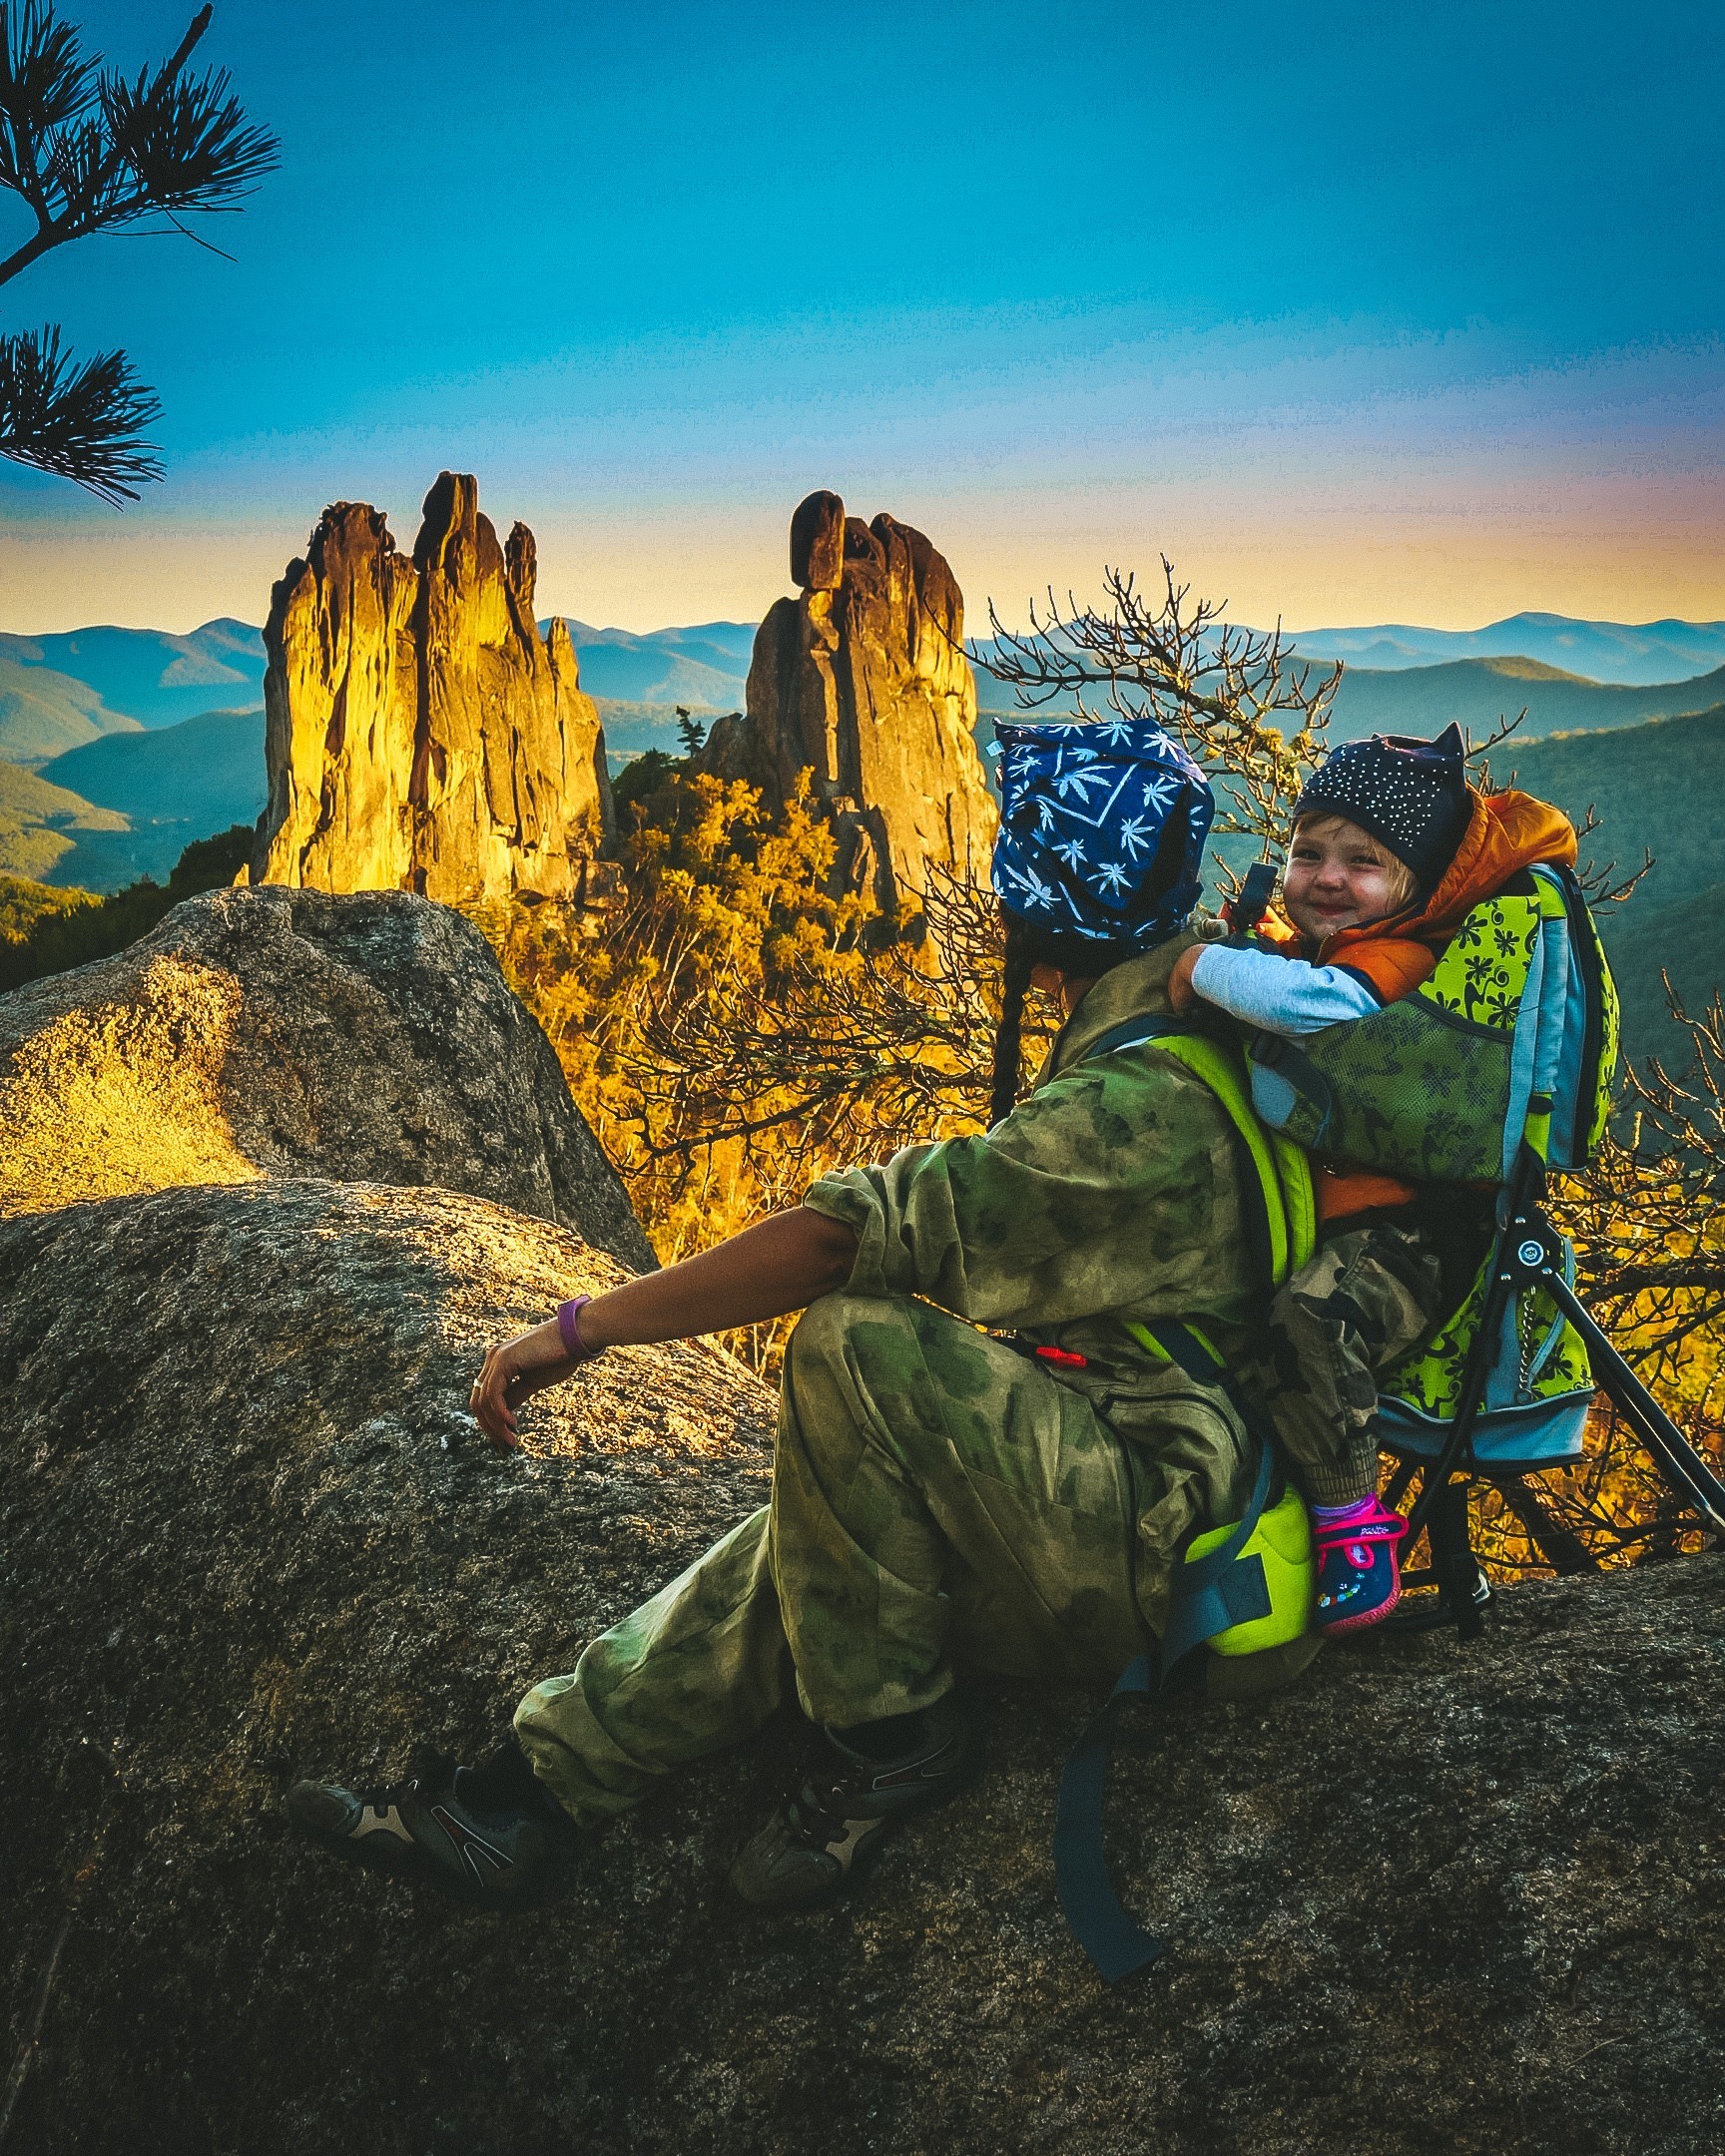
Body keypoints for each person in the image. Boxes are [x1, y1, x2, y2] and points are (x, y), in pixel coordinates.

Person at [286, 715, 1320, 1915]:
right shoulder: (1181, 1021)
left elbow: (844, 1238)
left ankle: (895, 1742)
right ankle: (524, 1796)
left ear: (1045, 896)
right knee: (823, 1538)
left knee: (855, 1348)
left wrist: (578, 1331)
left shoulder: (1136, 1106)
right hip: (1122, 1484)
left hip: (1165, 1533)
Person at [1167, 724, 1578, 1632]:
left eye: (1364, 861)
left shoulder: (1395, 960)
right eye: (1308, 850)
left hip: (1415, 1232)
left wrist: (1204, 965)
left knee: (1307, 1322)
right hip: (1343, 1216)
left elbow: (1317, 1012)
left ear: (1415, 886)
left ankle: (1351, 1520)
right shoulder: (1337, 944)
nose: (1326, 877)